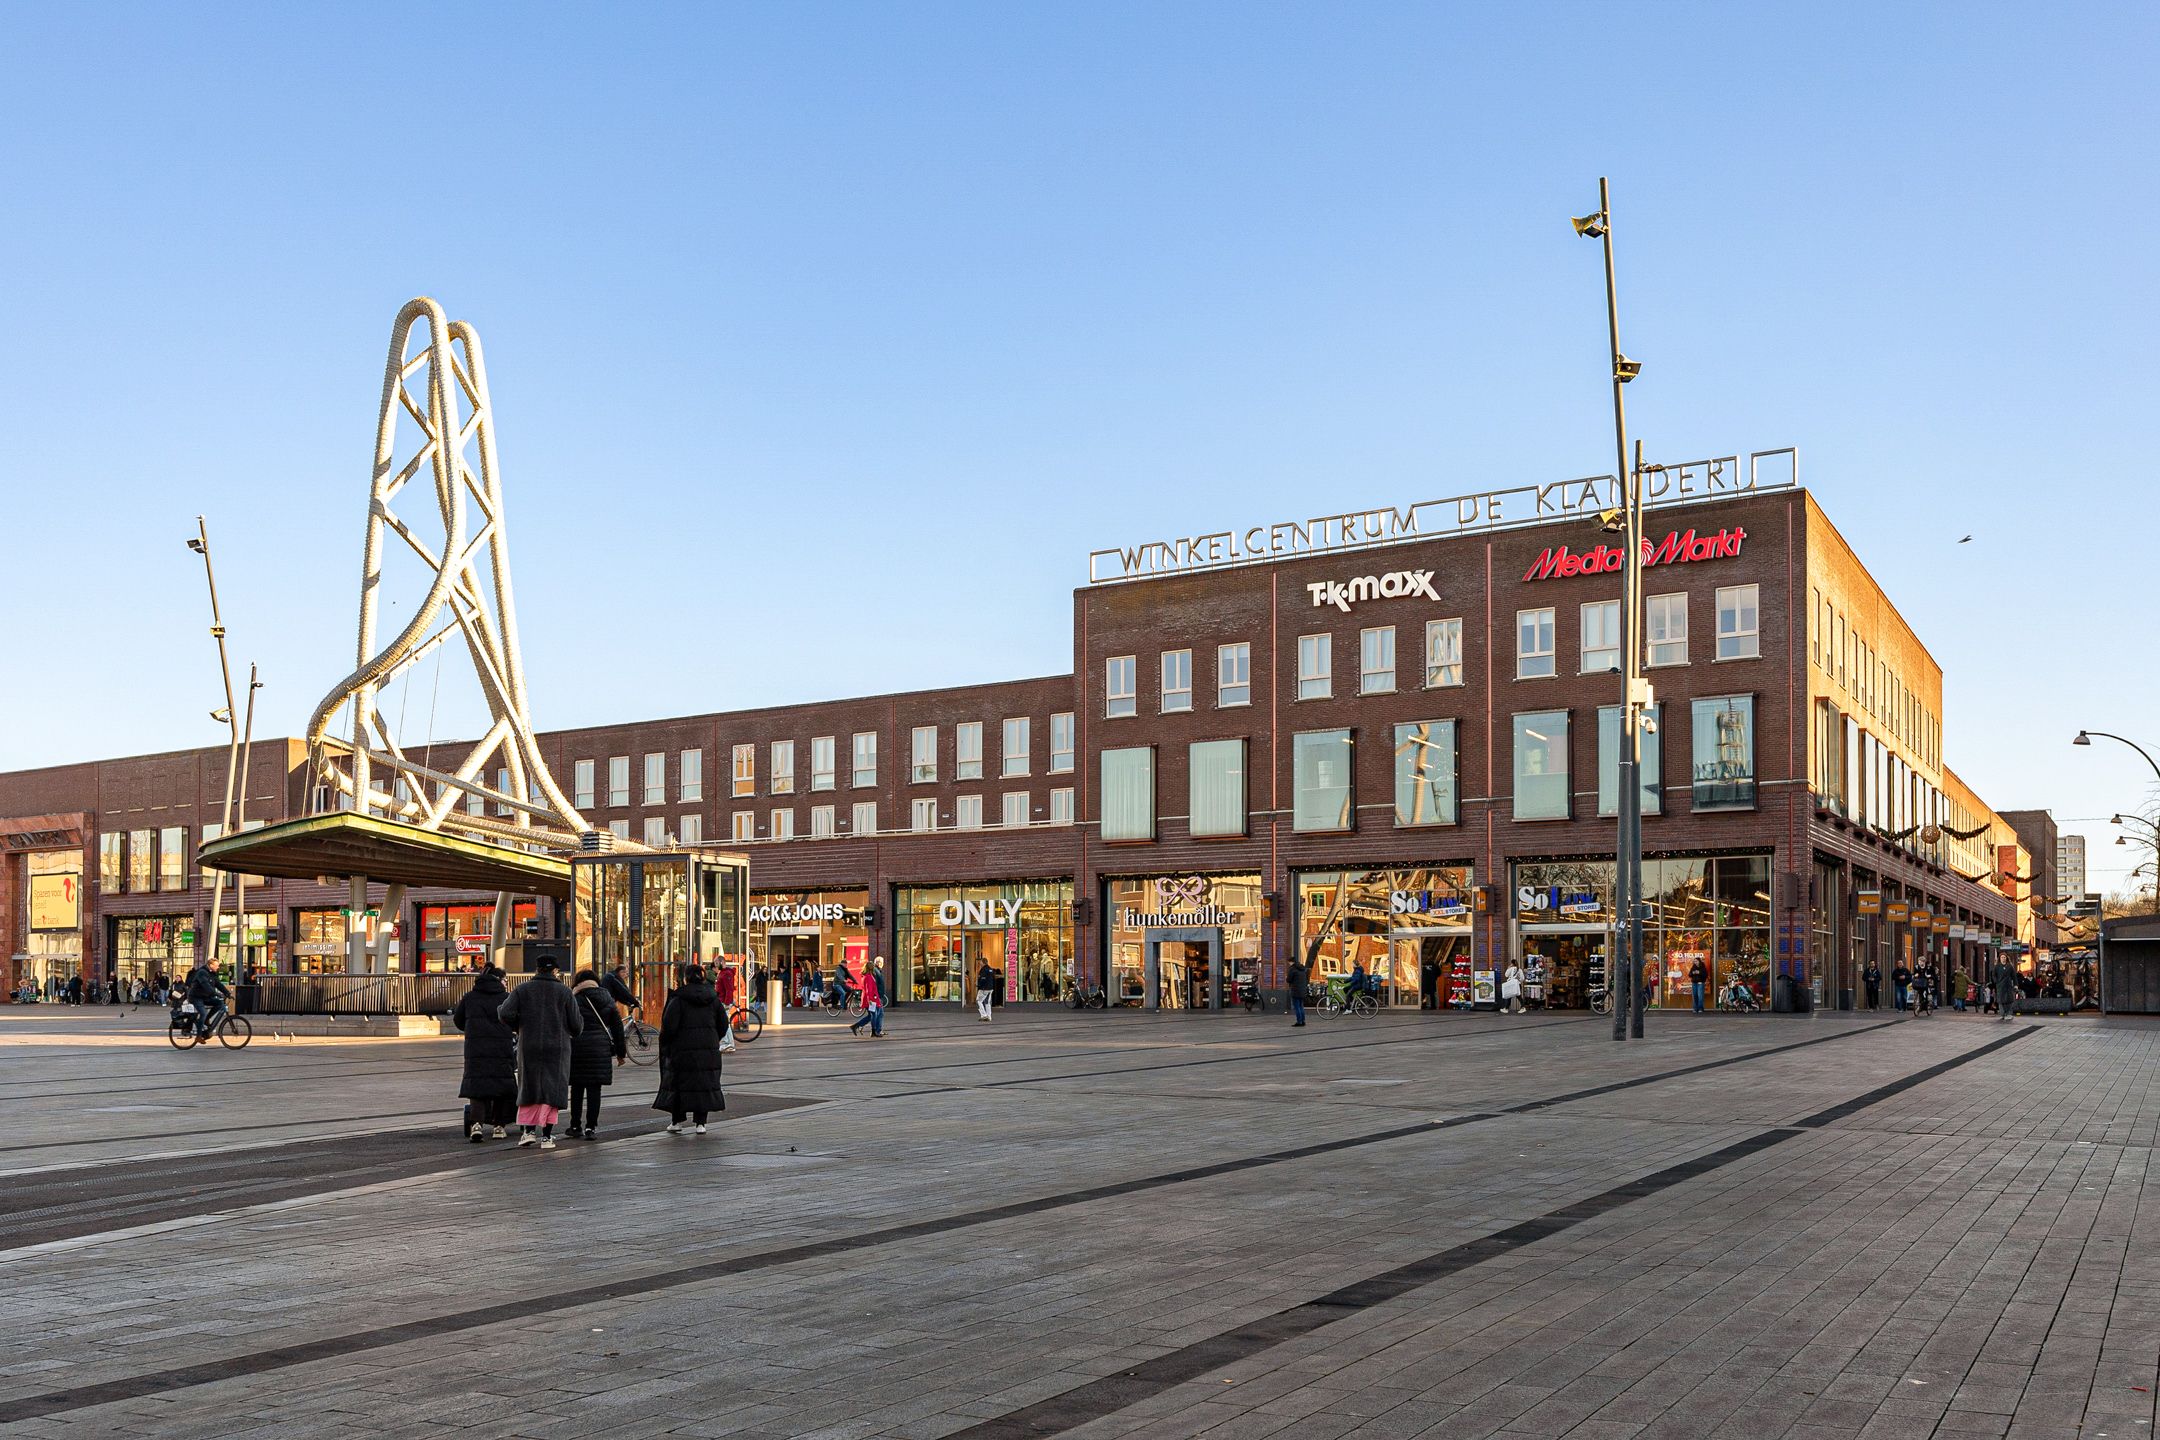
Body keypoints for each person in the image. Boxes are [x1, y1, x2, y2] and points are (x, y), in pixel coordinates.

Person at [497, 958, 583, 1150]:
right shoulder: (564, 992)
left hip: (529, 1045)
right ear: (555, 972)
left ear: (537, 969)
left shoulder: (522, 989)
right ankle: (547, 1136)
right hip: (557, 1048)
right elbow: (576, 1026)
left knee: (529, 1086)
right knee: (552, 1089)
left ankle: (528, 1132)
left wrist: (519, 1027)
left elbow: (505, 1014)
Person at [654, 963, 726, 1134]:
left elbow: (669, 1027)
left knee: (679, 1084)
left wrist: (666, 1044)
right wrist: (713, 1039)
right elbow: (723, 1024)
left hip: (682, 1050)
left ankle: (677, 1121)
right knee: (703, 1083)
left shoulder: (678, 999)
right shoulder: (713, 998)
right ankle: (701, 1123)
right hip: (707, 1050)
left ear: (685, 978)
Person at [451, 965, 518, 1141]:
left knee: (478, 1087)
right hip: (501, 1049)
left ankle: (476, 1125)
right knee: (502, 1087)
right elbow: (515, 1020)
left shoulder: (470, 997)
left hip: (476, 1049)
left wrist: (473, 1030)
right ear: (499, 980)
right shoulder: (506, 997)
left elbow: (458, 1020)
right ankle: (498, 1126)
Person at [567, 968, 627, 1139]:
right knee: (595, 1089)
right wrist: (621, 1053)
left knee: (577, 1088)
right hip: (600, 1048)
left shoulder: (574, 998)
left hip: (577, 1047)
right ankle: (590, 1128)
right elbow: (617, 1027)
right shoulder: (606, 997)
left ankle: (575, 1125)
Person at [184, 959, 230, 1038]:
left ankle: (206, 1020)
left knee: (220, 1003)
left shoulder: (212, 973)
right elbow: (205, 985)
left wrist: (227, 993)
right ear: (211, 965)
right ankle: (199, 1035)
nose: (218, 967)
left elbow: (218, 984)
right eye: (217, 966)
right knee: (203, 1013)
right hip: (196, 997)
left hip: (205, 996)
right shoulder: (202, 972)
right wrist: (216, 993)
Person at [849, 957, 886, 1037]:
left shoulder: (868, 975)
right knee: (875, 1014)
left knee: (872, 1015)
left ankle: (856, 1026)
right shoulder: (868, 977)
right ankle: (874, 1031)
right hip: (872, 999)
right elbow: (869, 989)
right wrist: (871, 999)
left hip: (872, 998)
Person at [1287, 948, 1310, 1027]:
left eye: (1289, 962)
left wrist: (1287, 977)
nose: (1289, 964)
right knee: (1301, 1006)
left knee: (1297, 1006)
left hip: (1295, 990)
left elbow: (1289, 980)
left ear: (1291, 962)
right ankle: (1303, 1020)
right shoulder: (1302, 968)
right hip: (1302, 990)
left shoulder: (1292, 969)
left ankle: (1299, 1021)